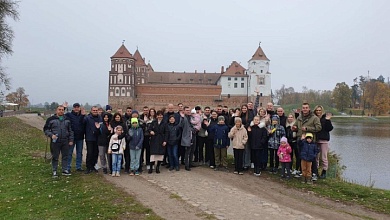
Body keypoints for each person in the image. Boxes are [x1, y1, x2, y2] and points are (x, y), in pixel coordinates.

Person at [293, 101, 322, 181]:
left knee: (312, 158)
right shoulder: (299, 117)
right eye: (303, 108)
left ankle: (314, 173)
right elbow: (295, 125)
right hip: (301, 140)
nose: (305, 109)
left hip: (310, 141)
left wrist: (307, 129)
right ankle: (302, 172)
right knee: (301, 156)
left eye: (306, 108)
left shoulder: (314, 118)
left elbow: (319, 128)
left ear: (309, 109)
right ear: (302, 109)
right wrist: (294, 127)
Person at [43, 105, 74, 178]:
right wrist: (51, 135)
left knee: (65, 156)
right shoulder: (51, 119)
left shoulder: (67, 119)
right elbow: (46, 129)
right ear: (56, 110)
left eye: (62, 110)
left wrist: (71, 140)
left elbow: (70, 130)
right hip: (55, 141)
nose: (61, 111)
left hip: (65, 141)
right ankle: (54, 171)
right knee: (55, 156)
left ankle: (64, 170)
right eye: (59, 109)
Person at [64, 102, 86, 172]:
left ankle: (78, 166)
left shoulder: (82, 116)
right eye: (75, 107)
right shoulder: (69, 115)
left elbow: (83, 123)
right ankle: (68, 167)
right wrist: (64, 108)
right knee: (69, 152)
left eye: (78, 107)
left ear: (79, 108)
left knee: (79, 153)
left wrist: (83, 115)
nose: (76, 109)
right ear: (73, 108)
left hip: (80, 137)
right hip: (71, 137)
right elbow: (61, 116)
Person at [314, 105, 334, 179]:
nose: (318, 112)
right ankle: (315, 171)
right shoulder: (314, 118)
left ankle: (324, 171)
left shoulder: (325, 118)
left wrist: (328, 120)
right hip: (316, 140)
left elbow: (330, 128)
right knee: (315, 156)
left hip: (324, 140)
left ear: (322, 111)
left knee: (324, 157)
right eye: (317, 110)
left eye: (319, 110)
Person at [83, 106, 102, 174]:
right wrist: (83, 115)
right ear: (91, 111)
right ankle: (88, 167)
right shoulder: (87, 118)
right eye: (94, 110)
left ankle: (93, 165)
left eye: (96, 110)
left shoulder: (100, 118)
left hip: (97, 138)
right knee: (90, 153)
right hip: (89, 138)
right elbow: (83, 123)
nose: (95, 111)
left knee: (96, 153)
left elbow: (101, 127)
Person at [180, 106, 197, 171]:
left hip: (193, 136)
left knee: (192, 150)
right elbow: (180, 126)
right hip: (187, 137)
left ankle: (190, 163)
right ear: (184, 111)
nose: (188, 111)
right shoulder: (183, 118)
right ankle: (186, 165)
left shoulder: (192, 117)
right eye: (187, 110)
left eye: (189, 110)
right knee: (187, 152)